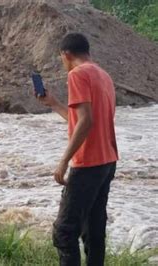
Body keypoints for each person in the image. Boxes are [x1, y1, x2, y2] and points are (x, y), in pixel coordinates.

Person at [37, 33, 118, 266]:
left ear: (66, 54)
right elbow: (82, 120)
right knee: (94, 229)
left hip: (88, 164)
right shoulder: (103, 76)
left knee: (64, 232)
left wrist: (64, 161)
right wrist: (53, 104)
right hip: (108, 161)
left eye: (61, 58)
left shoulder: (77, 74)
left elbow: (86, 121)